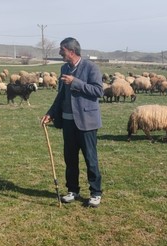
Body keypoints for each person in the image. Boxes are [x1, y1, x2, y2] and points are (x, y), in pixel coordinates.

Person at [40, 37, 104, 207]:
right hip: (68, 122)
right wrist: (51, 113)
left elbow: (98, 91)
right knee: (70, 158)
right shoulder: (64, 68)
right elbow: (61, 94)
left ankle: (95, 193)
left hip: (87, 122)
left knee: (90, 158)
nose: (60, 53)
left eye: (62, 50)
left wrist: (75, 82)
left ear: (71, 51)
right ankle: (72, 190)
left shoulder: (91, 67)